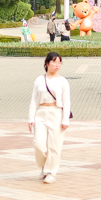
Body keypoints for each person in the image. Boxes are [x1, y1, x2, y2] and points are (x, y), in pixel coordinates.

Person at [28, 52, 70, 184]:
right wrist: (31, 118)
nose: (57, 65)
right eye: (54, 62)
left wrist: (65, 120)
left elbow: (66, 101)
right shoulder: (39, 80)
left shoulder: (62, 81)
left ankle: (50, 172)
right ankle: (43, 167)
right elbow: (34, 100)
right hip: (41, 113)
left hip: (56, 113)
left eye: (59, 62)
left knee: (54, 146)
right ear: (47, 63)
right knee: (39, 145)